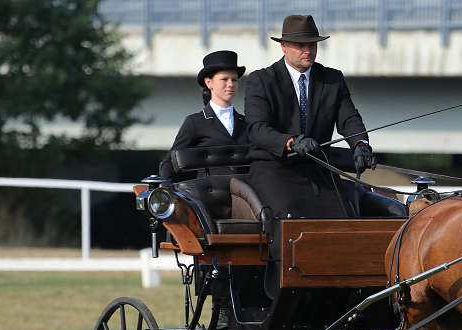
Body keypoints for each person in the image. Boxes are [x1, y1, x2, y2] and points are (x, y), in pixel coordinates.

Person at [244, 14, 407, 220]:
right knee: (288, 217)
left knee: (344, 214)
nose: (308, 50)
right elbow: (257, 129)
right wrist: (291, 143)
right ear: (283, 46)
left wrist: (361, 145)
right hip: (274, 170)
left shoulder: (332, 79)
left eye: (312, 44)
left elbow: (349, 119)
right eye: (300, 45)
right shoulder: (261, 80)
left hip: (318, 171)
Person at [160, 51, 250, 182]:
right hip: (207, 198)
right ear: (209, 83)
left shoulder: (247, 123)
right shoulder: (195, 122)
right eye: (224, 79)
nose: (231, 84)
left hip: (243, 198)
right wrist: (169, 194)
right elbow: (170, 163)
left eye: (234, 80)